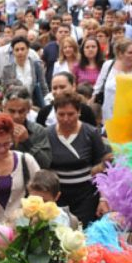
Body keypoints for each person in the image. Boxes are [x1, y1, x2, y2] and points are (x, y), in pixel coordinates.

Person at [46, 92, 111, 227]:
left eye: (71, 114)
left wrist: (103, 199)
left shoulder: (90, 133)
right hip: (58, 196)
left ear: (79, 112)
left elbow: (103, 167)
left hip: (86, 197)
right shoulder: (48, 134)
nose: (66, 118)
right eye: (61, 114)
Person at [0, 113, 41, 224]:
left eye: (7, 144)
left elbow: (41, 191)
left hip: (23, 228)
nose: (2, 149)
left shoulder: (26, 160)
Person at [93, 38, 132, 128]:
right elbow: (98, 87)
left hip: (130, 117)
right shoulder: (108, 65)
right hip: (108, 116)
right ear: (120, 54)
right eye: (130, 52)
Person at [2, 87, 51, 169]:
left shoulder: (38, 131)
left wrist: (27, 142)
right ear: (4, 108)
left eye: (21, 111)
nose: (16, 116)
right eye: (12, 111)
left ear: (28, 110)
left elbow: (45, 163)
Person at [0, 36, 47, 109]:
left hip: (35, 107)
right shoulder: (7, 69)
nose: (20, 52)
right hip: (15, 107)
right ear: (13, 51)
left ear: (27, 50)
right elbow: (2, 90)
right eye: (17, 50)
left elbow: (43, 87)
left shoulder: (36, 66)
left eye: (22, 49)